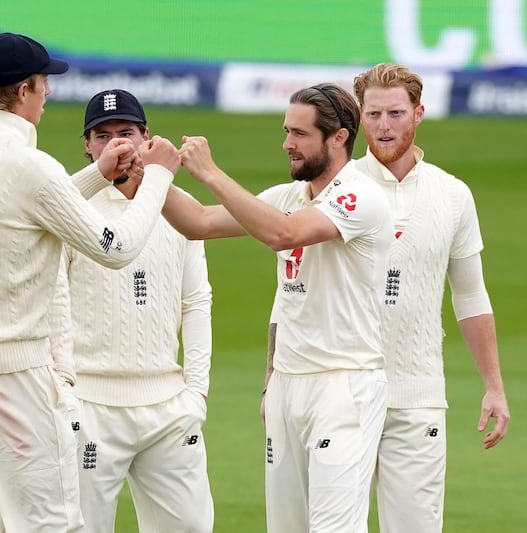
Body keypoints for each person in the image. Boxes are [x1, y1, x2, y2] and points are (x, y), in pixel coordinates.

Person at [0, 33, 180, 532]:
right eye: (43, 86)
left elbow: (26, 205)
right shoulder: (29, 164)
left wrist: (97, 176)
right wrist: (159, 179)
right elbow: (116, 247)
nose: (47, 96)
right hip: (11, 374)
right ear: (23, 90)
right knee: (50, 523)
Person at [162, 83, 394, 532]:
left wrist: (211, 173)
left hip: (343, 386)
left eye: (300, 134)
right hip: (288, 386)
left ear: (339, 137)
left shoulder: (360, 196)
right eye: (286, 131)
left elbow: (283, 236)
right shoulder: (290, 196)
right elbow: (200, 223)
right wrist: (147, 175)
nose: (287, 143)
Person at [352, 63, 510, 533]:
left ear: (419, 113)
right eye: (374, 114)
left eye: (395, 113)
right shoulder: (337, 187)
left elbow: (470, 294)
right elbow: (294, 287)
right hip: (342, 392)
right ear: (359, 117)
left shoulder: (452, 195)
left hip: (418, 394)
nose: (384, 126)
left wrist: (494, 386)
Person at [65, 89, 214, 533]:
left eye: (126, 133)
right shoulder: (72, 207)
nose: (118, 146)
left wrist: (197, 393)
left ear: (147, 137)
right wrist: (64, 395)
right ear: (87, 145)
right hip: (89, 406)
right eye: (104, 136)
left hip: (167, 409)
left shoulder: (179, 207)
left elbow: (196, 300)